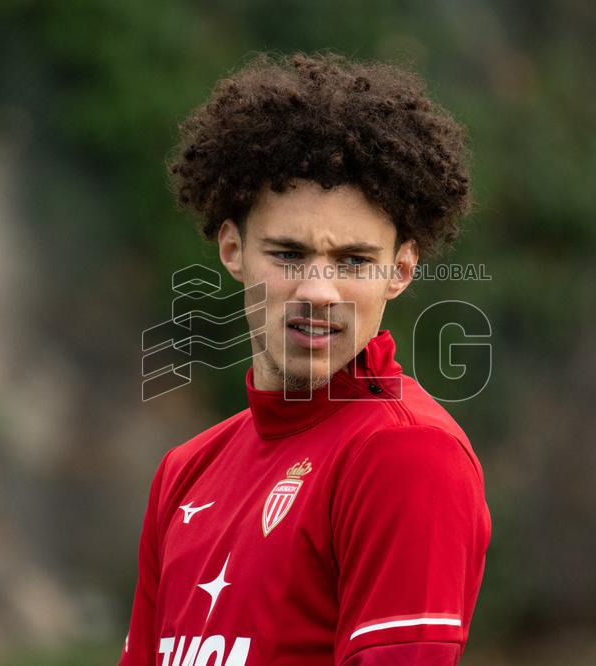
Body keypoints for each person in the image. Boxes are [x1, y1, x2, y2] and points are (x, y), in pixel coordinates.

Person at [120, 52, 491, 666]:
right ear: (233, 250)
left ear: (400, 272)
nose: (318, 291)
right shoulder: (183, 474)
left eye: (352, 261)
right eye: (289, 254)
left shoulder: (406, 455)